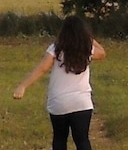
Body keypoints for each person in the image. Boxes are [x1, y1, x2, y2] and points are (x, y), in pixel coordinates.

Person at [13, 16, 108, 150]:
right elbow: (102, 53)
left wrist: (23, 86)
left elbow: (42, 68)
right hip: (82, 103)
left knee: (59, 138)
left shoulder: (55, 49)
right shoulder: (87, 49)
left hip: (59, 103)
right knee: (82, 140)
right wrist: (88, 38)